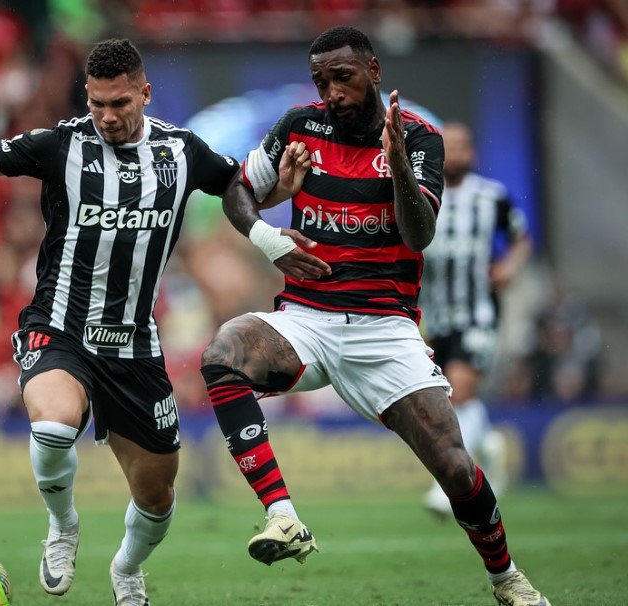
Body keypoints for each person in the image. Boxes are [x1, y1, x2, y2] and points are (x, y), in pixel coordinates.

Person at [0, 38, 308, 605]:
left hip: (135, 345)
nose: (108, 117)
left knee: (158, 498)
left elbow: (239, 188)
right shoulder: (61, 144)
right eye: (97, 104)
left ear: (144, 93)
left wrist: (277, 191)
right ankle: (63, 525)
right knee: (52, 425)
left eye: (119, 103)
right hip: (59, 326)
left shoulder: (182, 151)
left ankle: (126, 567)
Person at [199, 26, 550, 606]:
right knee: (224, 353)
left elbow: (420, 233)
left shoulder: (419, 140)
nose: (331, 92)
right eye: (321, 80)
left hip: (384, 328)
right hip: (306, 318)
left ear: (374, 71)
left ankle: (506, 578)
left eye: (342, 77)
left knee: (456, 469)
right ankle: (283, 515)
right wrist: (267, 237)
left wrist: (399, 169)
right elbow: (238, 189)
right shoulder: (298, 127)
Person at [418, 122, 532, 519]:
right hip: (434, 316)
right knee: (445, 400)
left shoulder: (492, 197)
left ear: (473, 153)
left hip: (478, 312)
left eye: (464, 145)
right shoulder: (423, 197)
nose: (457, 152)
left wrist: (510, 265)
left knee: (461, 389)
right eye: (449, 146)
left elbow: (521, 237)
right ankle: (488, 450)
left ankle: (444, 484)